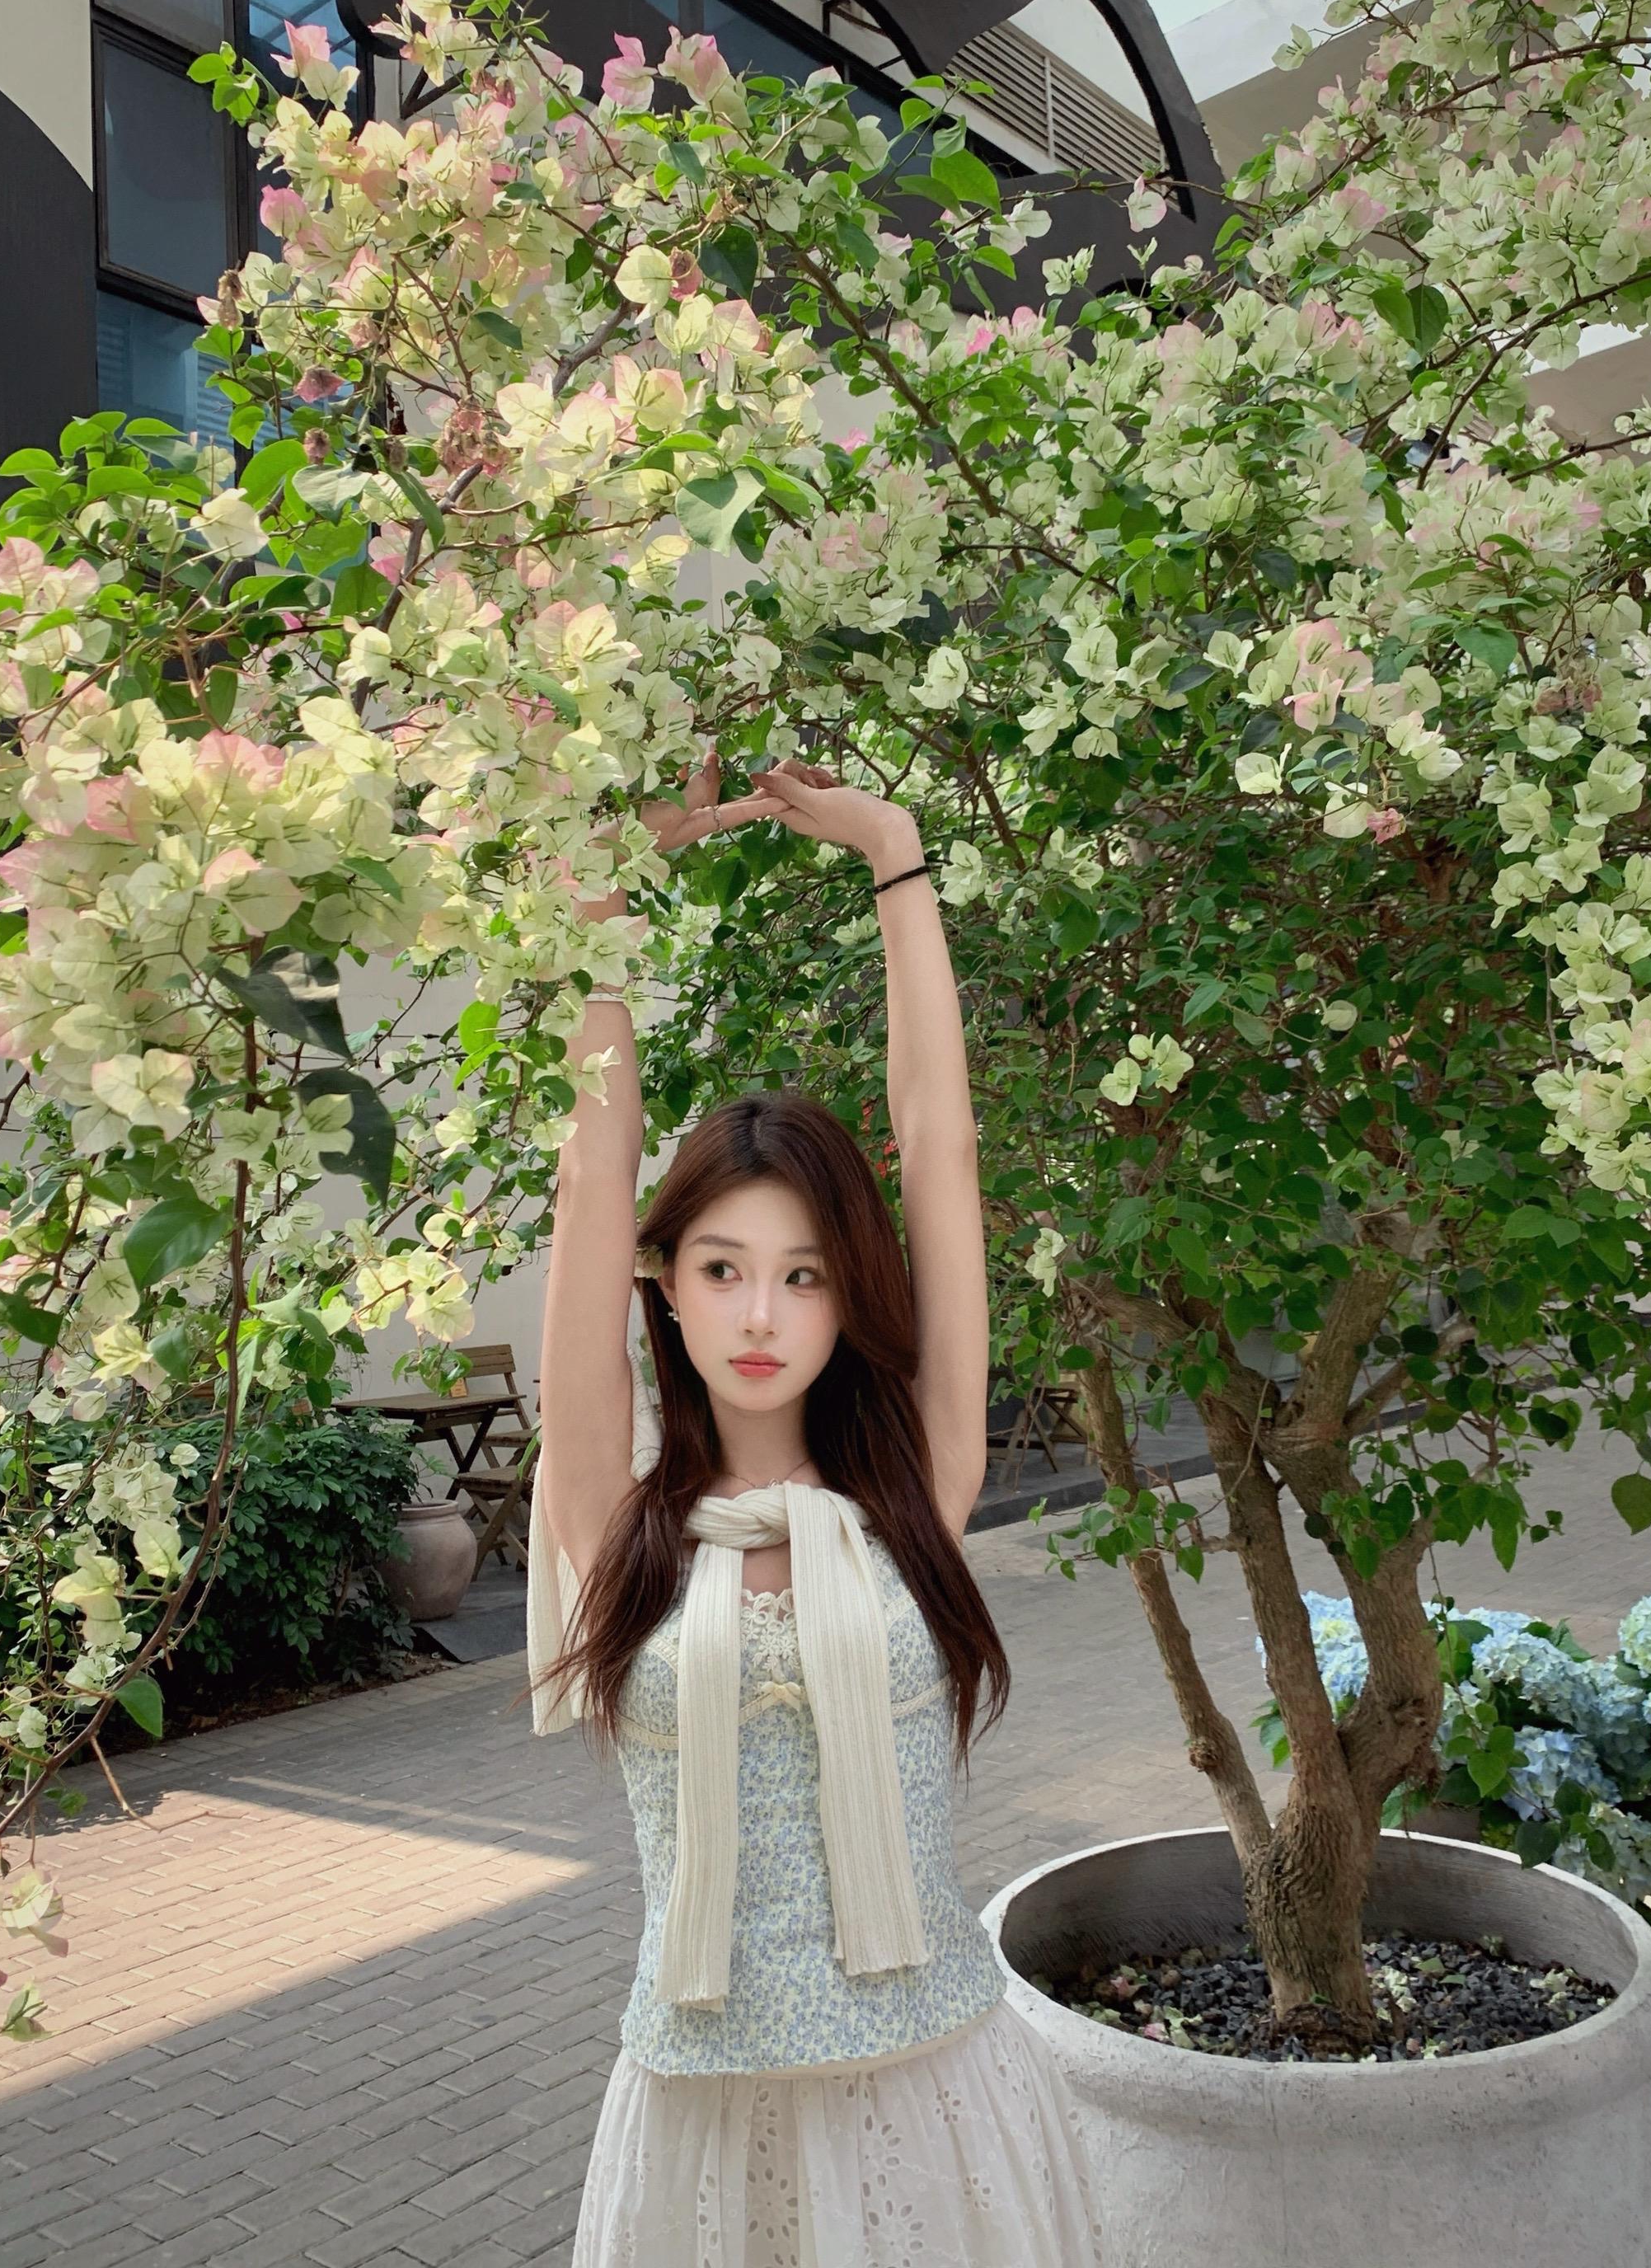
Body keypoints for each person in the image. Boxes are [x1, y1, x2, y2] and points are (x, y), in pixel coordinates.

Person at [527, 750, 1108, 2267]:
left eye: (803, 1275)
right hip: (700, 2112)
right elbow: (593, 1185)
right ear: (667, 1283)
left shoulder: (913, 1490)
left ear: (850, 1294)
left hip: (934, 2092)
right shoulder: (615, 1517)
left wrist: (896, 857)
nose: (760, 1314)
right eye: (722, 1269)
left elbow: (941, 1148)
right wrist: (604, 915)